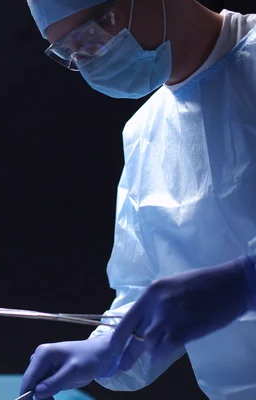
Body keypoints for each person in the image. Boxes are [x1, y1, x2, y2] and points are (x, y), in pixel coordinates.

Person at [20, 0, 256, 398]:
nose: (86, 60)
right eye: (70, 52)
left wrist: (244, 283)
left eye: (89, 36)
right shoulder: (145, 132)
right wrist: (110, 345)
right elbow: (144, 288)